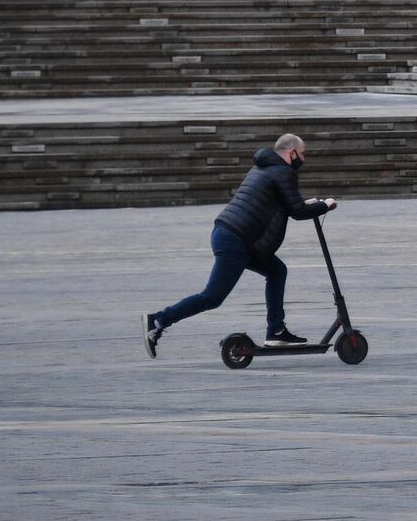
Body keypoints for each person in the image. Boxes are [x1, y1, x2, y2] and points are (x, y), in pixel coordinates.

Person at [143, 133, 336, 357]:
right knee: (213, 296)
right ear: (291, 152)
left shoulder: (264, 167)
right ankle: (158, 320)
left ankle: (276, 331)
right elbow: (297, 211)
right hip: (237, 239)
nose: (303, 159)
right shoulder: (284, 172)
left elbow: (282, 203)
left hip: (232, 234)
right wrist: (325, 205)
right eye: (302, 154)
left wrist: (309, 203)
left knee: (276, 270)